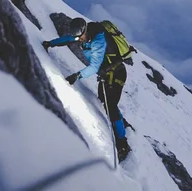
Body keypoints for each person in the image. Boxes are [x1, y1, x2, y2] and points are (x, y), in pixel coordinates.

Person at [43, 17, 132, 162]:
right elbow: (68, 39)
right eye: (78, 37)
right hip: (106, 73)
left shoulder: (98, 40)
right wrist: (50, 43)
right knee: (104, 100)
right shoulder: (83, 34)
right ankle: (120, 121)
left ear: (85, 30)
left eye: (81, 36)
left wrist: (77, 76)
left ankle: (123, 144)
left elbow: (94, 67)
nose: (80, 39)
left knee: (110, 105)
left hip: (116, 74)